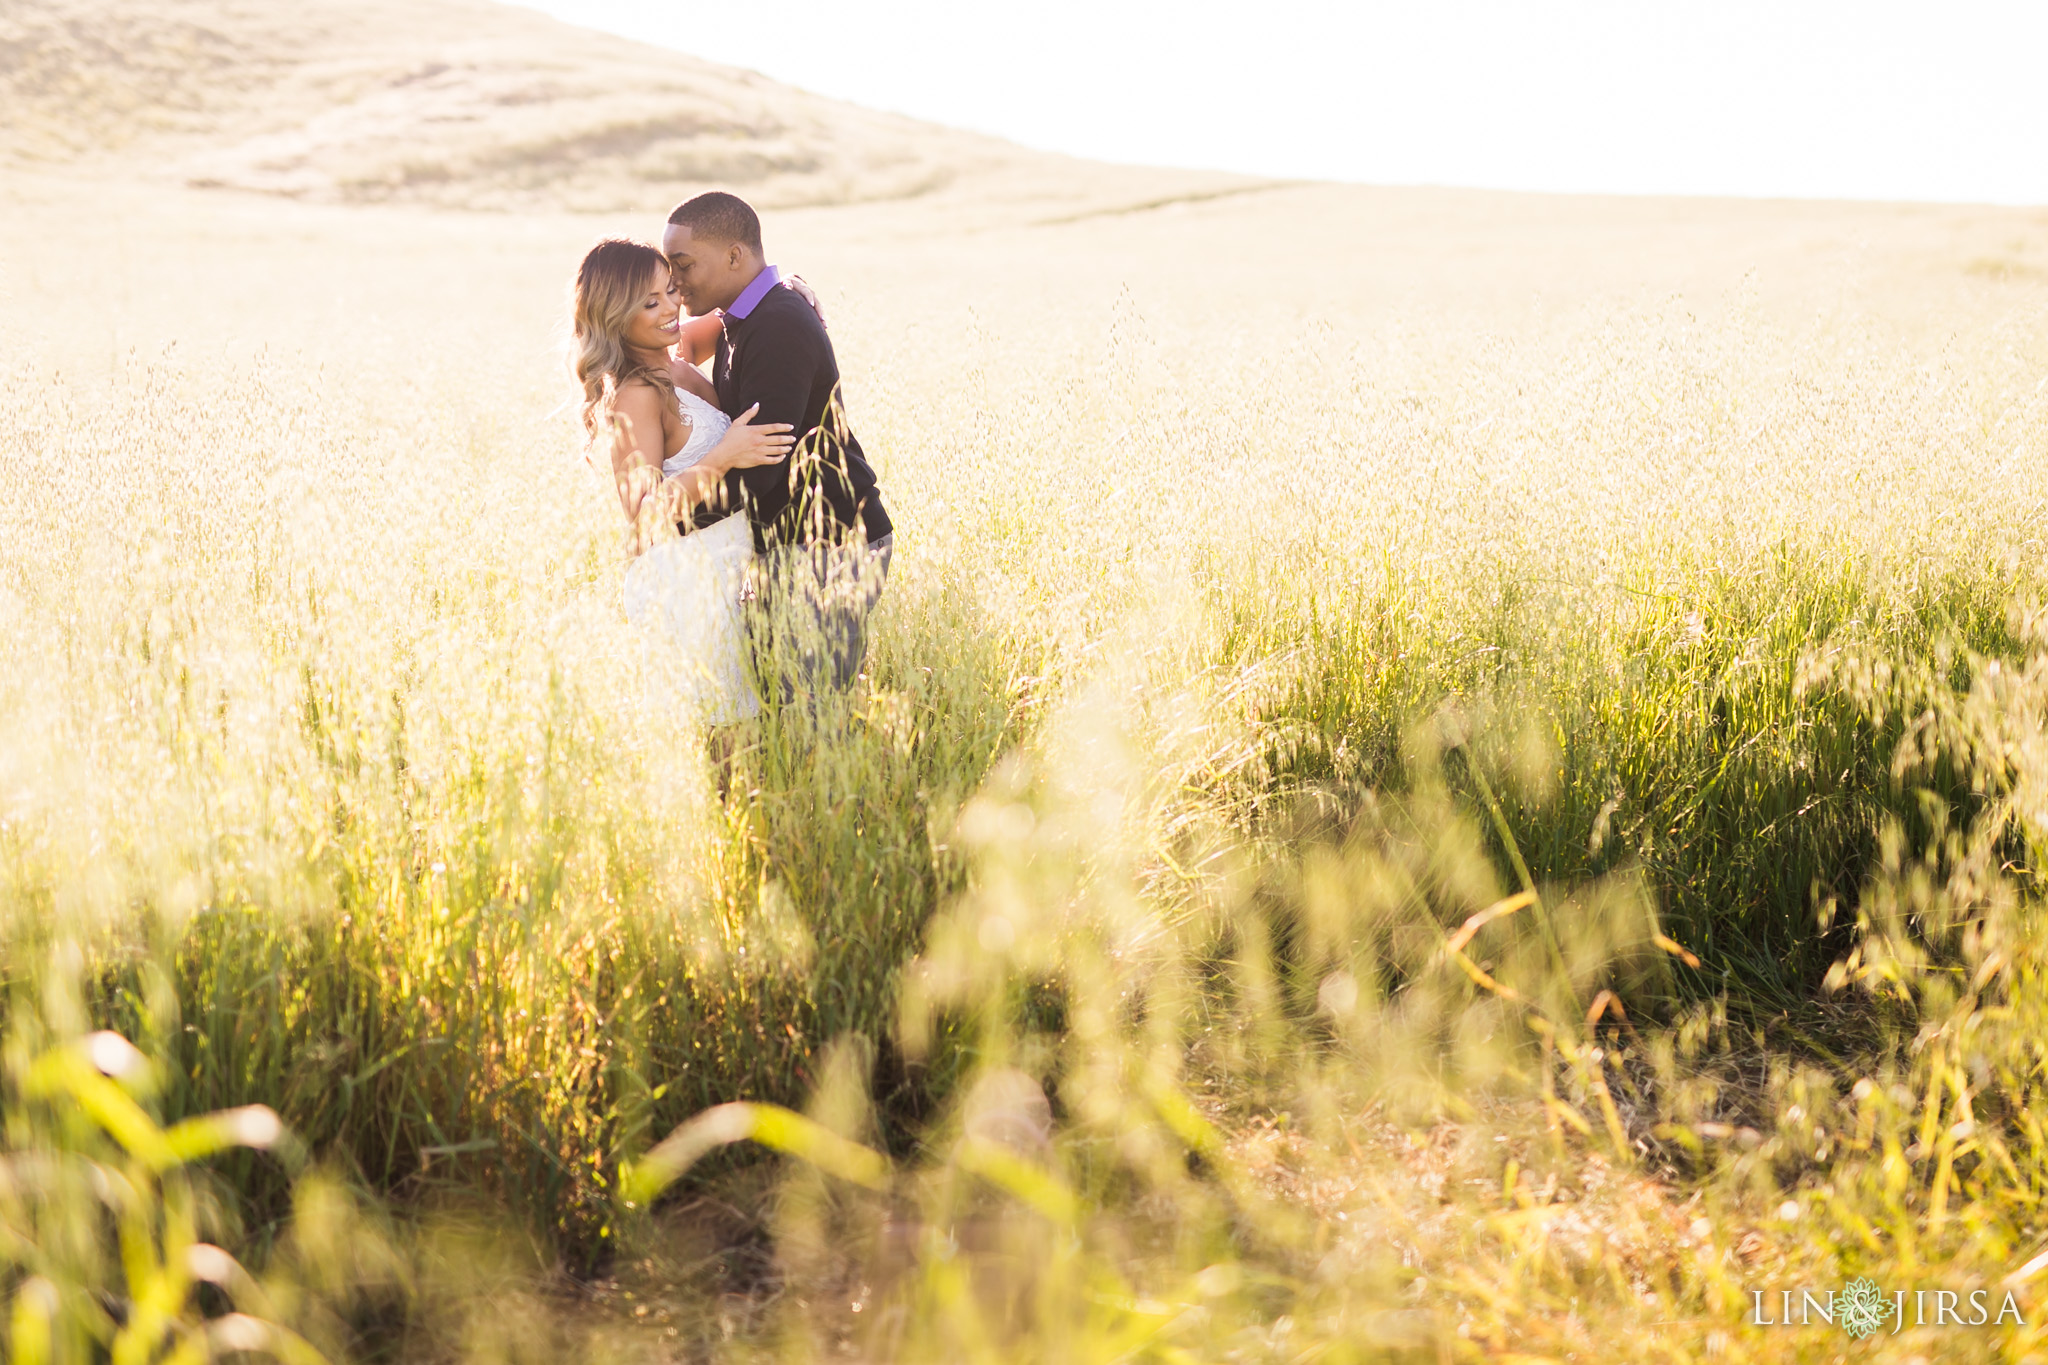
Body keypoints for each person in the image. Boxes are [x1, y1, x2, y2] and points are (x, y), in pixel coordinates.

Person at [662, 192, 895, 696]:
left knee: (809, 714)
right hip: (785, 546)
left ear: (733, 256)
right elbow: (647, 332)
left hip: (830, 545)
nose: (674, 281)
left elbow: (762, 466)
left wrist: (670, 525)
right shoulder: (736, 317)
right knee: (776, 700)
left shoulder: (778, 324)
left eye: (683, 265)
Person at [569, 237, 793, 723]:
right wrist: (723, 455)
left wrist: (790, 287)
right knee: (726, 742)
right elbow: (644, 519)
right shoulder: (637, 397)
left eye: (672, 290)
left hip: (730, 571)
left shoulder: (675, 357)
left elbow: (745, 304)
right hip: (690, 582)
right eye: (651, 302)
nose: (672, 307)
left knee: (749, 731)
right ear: (616, 317)